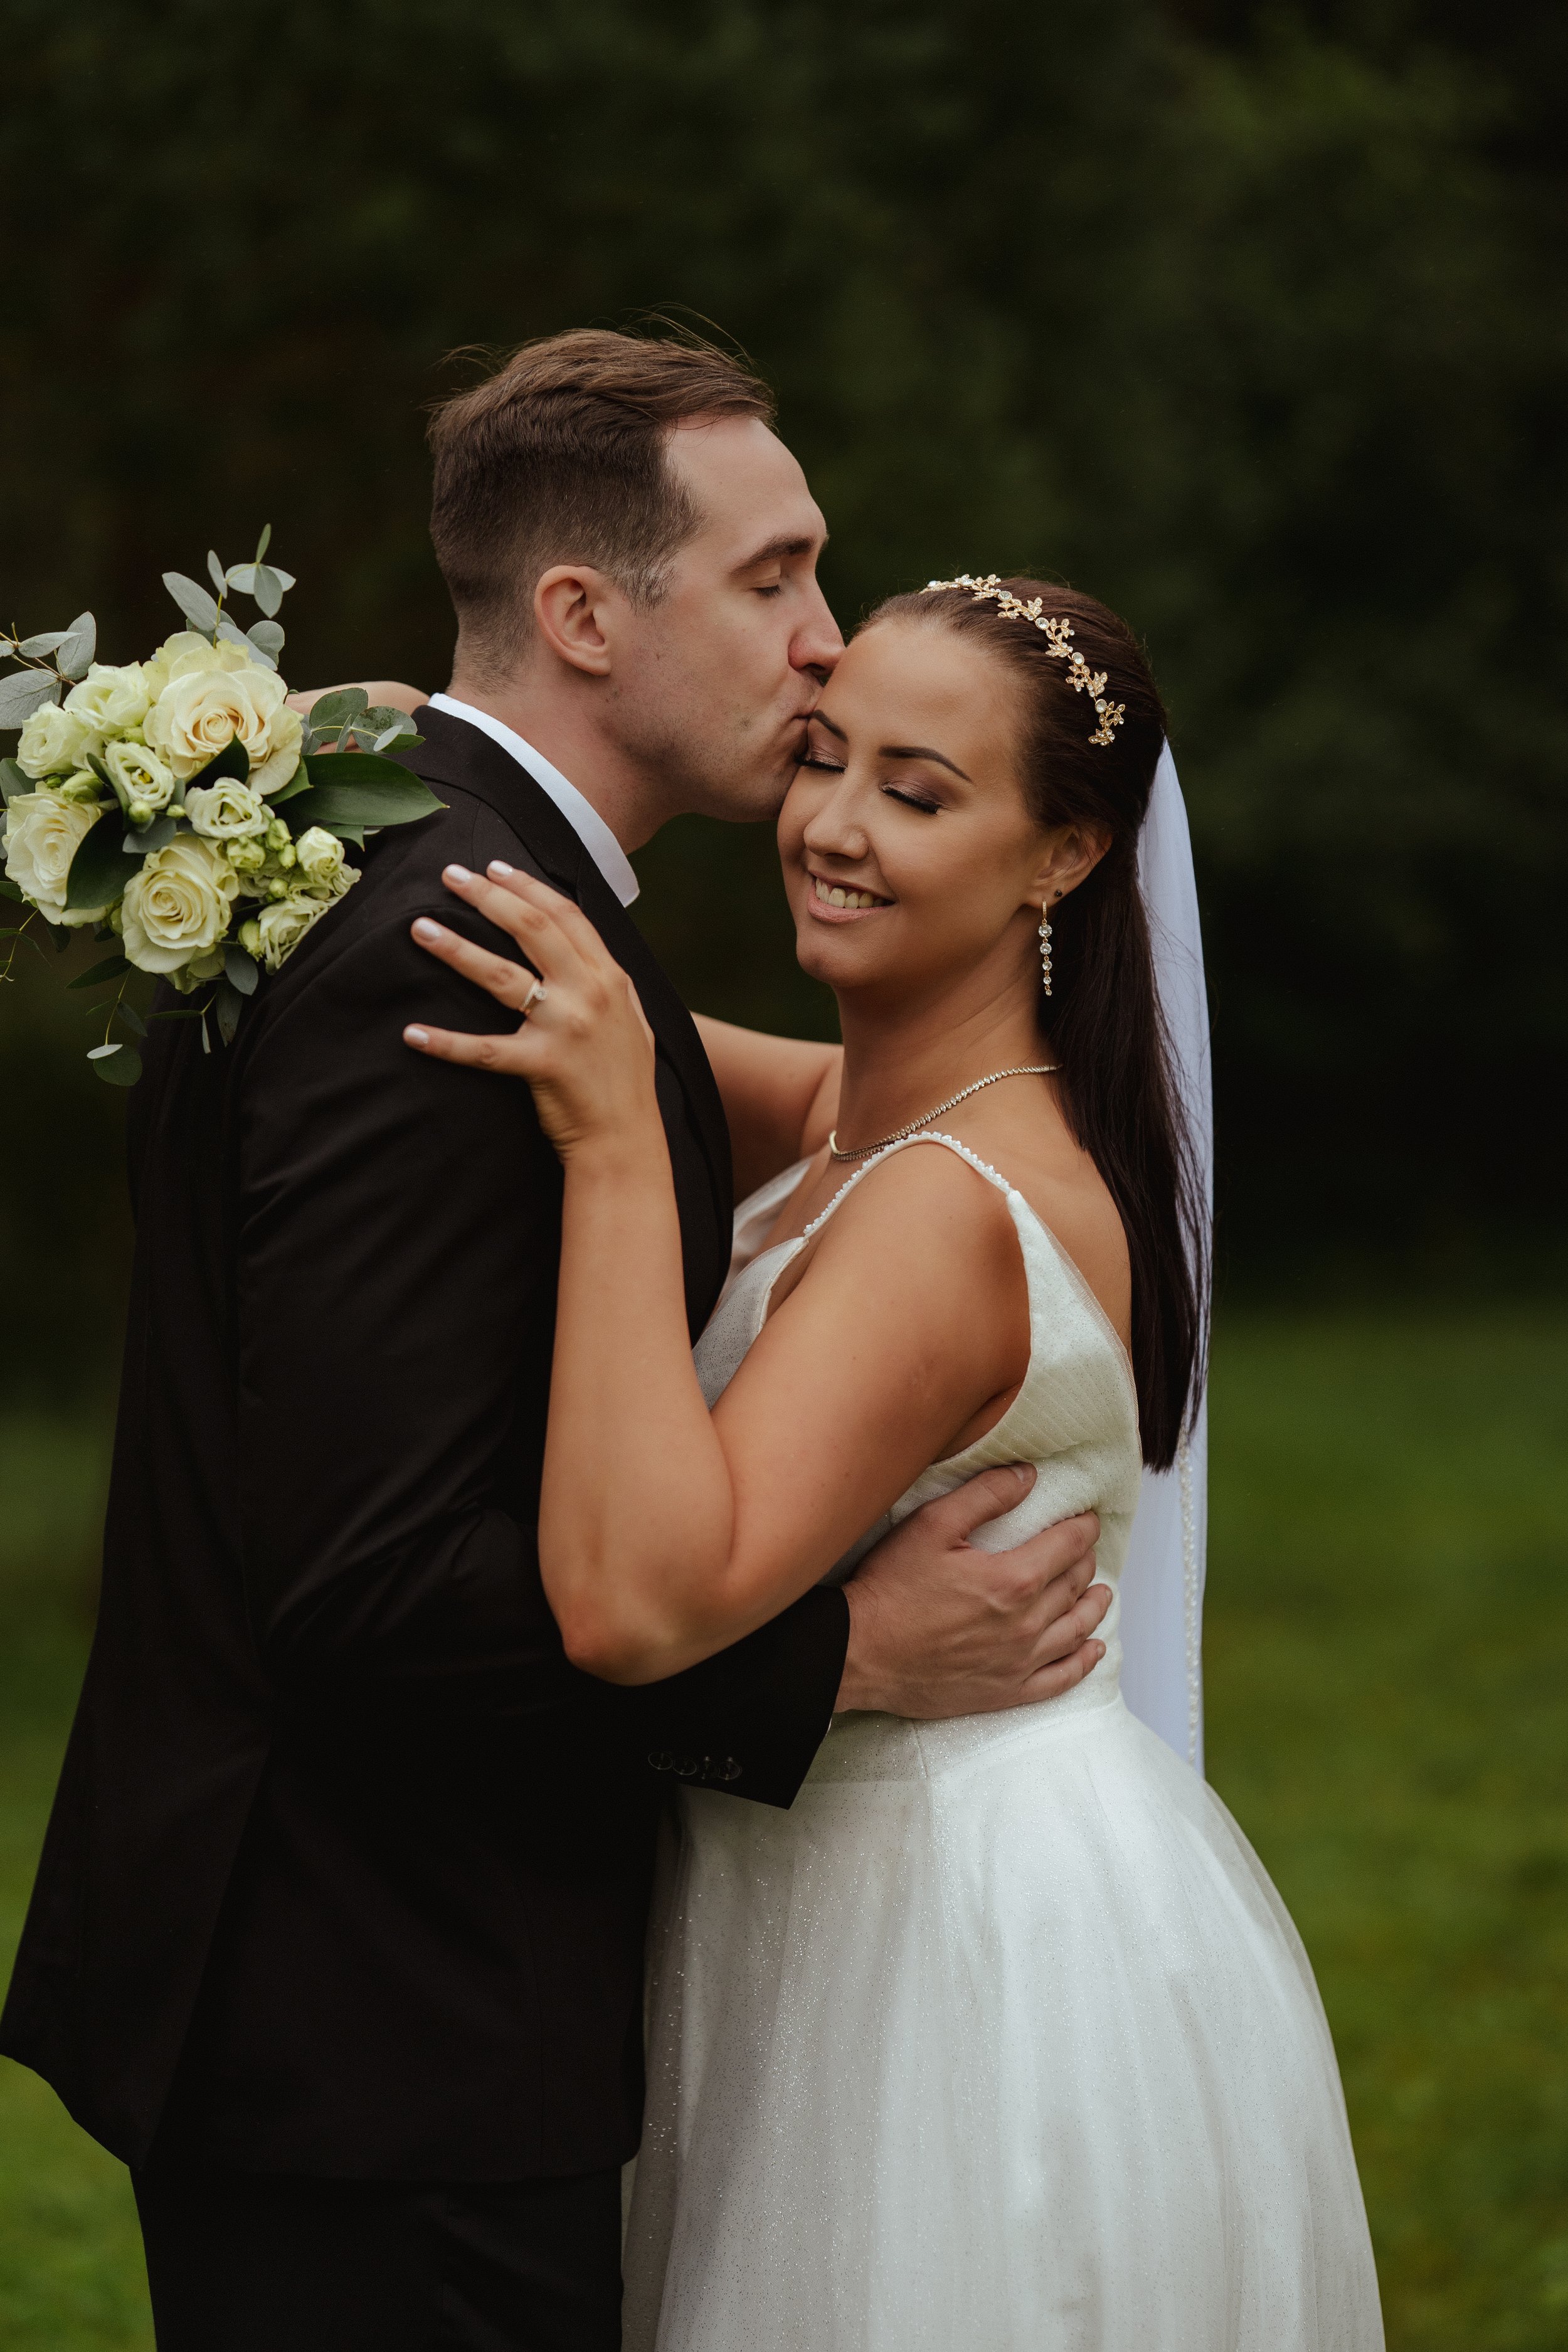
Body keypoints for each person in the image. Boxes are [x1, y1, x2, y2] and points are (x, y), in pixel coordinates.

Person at [0, 333, 1113, 2351]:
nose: (823, 643)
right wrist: (843, 1660)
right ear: (586, 615)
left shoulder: (433, 873)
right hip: (377, 2033)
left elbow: (871, 1124)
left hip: (370, 2016)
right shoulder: (451, 960)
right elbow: (372, 1596)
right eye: (773, 578)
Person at [405, 571, 1385, 2348]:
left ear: (1062, 859)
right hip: (842, 1890)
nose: (832, 831)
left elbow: (644, 1605)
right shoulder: (880, 1119)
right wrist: (406, 770)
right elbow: (622, 1023)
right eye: (821, 760)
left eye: (917, 793)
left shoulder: (944, 1210)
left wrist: (617, 1153)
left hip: (948, 1953)